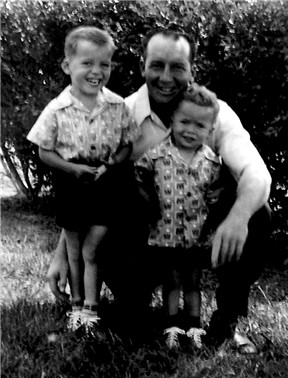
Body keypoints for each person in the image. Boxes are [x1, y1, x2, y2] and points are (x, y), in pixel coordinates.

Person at [47, 28, 272, 351]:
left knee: (257, 213)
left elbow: (257, 174)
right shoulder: (117, 113)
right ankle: (133, 304)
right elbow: (91, 188)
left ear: (193, 70)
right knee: (118, 185)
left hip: (200, 232)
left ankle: (227, 322)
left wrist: (237, 217)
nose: (166, 77)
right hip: (142, 235)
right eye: (157, 65)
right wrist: (62, 256)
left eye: (177, 67)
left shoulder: (215, 113)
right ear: (143, 66)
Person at [27, 26, 139, 332]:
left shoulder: (117, 106)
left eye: (104, 64)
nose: (96, 71)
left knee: (93, 248)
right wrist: (72, 169)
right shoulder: (57, 109)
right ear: (68, 66)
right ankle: (79, 307)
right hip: (72, 183)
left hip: (105, 183)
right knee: (75, 250)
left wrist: (114, 162)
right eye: (87, 63)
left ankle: (93, 305)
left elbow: (128, 143)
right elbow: (44, 152)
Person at [134, 83, 222, 349]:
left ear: (210, 130)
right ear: (173, 119)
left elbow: (216, 193)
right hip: (165, 233)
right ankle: (171, 326)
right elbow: (137, 173)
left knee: (193, 281)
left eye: (199, 126)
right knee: (171, 280)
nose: (190, 130)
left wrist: (217, 201)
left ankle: (194, 327)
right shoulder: (158, 154)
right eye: (184, 121)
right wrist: (145, 198)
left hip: (195, 236)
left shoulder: (211, 161)